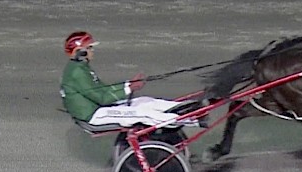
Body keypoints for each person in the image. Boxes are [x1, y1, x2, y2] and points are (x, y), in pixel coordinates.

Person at [59, 31, 199, 128]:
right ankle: (192, 120)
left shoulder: (80, 68)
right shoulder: (77, 72)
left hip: (97, 108)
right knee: (142, 113)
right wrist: (129, 89)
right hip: (93, 115)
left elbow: (103, 89)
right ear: (80, 52)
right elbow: (102, 98)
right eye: (89, 48)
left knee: (145, 101)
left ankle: (187, 108)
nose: (92, 51)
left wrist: (128, 84)